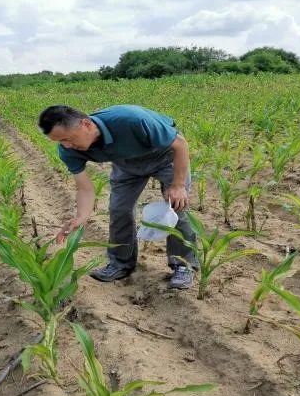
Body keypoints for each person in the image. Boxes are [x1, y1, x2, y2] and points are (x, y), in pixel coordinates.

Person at [38, 104, 199, 289]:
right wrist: (80, 217)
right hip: (126, 164)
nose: (66, 145)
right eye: (60, 142)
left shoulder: (131, 120)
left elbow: (180, 144)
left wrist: (178, 185)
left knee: (177, 206)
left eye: (67, 138)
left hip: (164, 157)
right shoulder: (68, 150)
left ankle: (183, 265)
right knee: (119, 210)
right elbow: (85, 189)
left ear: (86, 124)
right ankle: (120, 264)